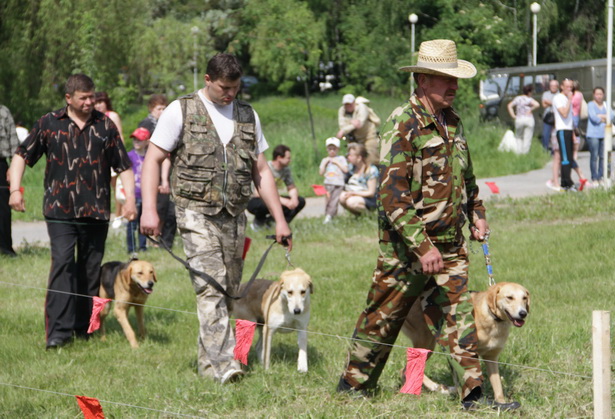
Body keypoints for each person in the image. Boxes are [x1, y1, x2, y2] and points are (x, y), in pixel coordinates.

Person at [337, 39, 489, 410]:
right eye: (443, 79)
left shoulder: (453, 121)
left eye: (454, 79)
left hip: (450, 244)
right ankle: (353, 385)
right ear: (422, 79)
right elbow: (392, 195)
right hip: (406, 249)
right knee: (383, 318)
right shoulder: (402, 122)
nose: (453, 86)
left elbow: (464, 177)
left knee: (458, 316)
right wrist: (422, 247)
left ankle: (475, 394)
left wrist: (477, 211)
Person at [139, 53, 292, 384]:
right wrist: (149, 209)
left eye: (236, 87)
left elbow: (261, 171)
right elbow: (152, 160)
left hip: (234, 217)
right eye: (225, 87)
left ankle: (208, 367)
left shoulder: (248, 115)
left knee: (228, 293)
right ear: (207, 80)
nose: (230, 94)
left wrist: (281, 220)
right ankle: (225, 367)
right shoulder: (180, 111)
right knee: (210, 287)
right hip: (194, 214)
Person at [8, 74, 136, 349]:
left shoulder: (105, 125)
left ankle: (84, 327)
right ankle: (58, 332)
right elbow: (21, 155)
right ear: (69, 98)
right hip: (59, 210)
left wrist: (130, 201)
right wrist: (15, 190)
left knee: (90, 270)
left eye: (92, 97)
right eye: (84, 98)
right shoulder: (49, 123)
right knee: (63, 265)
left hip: (96, 210)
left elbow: (124, 165)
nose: (90, 102)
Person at [139, 94, 176, 249]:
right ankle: (151, 240)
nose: (162, 111)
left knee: (169, 211)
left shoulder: (169, 123)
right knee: (157, 207)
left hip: (168, 171)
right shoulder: (146, 124)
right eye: (159, 108)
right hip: (153, 170)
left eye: (164, 108)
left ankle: (165, 242)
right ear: (151, 109)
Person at [247, 144, 305, 230]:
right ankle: (258, 222)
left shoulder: (286, 170)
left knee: (300, 201)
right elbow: (257, 193)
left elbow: (291, 187)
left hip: (276, 198)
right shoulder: (266, 169)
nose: (290, 160)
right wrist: (282, 201)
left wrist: (294, 198)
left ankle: (273, 223)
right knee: (265, 204)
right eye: (288, 158)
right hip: (256, 200)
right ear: (279, 158)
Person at [94, 91, 126, 218]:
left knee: (116, 187)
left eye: (101, 102)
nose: (98, 105)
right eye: (96, 103)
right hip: (98, 157)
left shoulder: (112, 116)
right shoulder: (93, 117)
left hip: (111, 155)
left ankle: (118, 214)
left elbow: (120, 136)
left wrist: (120, 155)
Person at [552, 79, 582, 191]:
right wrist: (570, 100)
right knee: (565, 158)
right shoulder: (558, 98)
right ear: (562, 87)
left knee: (569, 158)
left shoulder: (565, 98)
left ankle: (567, 182)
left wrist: (574, 131)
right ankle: (566, 183)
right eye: (567, 87)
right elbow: (564, 113)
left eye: (571, 87)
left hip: (568, 130)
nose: (569, 89)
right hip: (562, 130)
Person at [126, 127, 151, 254]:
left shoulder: (150, 157)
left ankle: (143, 246)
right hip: (133, 194)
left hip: (146, 194)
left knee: (143, 221)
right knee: (131, 223)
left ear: (147, 141)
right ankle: (131, 248)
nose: (136, 142)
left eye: (140, 140)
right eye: (134, 139)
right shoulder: (129, 156)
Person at [336, 93, 380, 165]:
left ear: (354, 102)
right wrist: (351, 122)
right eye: (346, 104)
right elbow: (342, 124)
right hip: (353, 139)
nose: (348, 106)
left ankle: (377, 173)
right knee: (354, 159)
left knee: (372, 158)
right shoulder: (342, 110)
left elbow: (360, 124)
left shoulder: (362, 107)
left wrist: (344, 130)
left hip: (368, 136)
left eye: (350, 104)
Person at [0, 105, 19, 257]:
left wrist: (13, 166)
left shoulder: (3, 111)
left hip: (1, 164)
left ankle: (5, 248)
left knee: (3, 210)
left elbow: (14, 141)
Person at [339, 142, 378, 215]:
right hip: (354, 195)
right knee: (341, 197)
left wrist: (353, 193)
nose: (348, 157)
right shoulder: (351, 168)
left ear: (359, 158)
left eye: (350, 155)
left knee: (351, 202)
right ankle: (358, 215)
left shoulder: (371, 170)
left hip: (369, 199)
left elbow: (371, 193)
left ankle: (369, 215)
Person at [318, 137, 348, 223]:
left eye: (334, 149)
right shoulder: (325, 160)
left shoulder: (341, 158)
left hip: (338, 183)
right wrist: (324, 164)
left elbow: (345, 170)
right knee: (328, 200)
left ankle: (329, 216)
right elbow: (321, 172)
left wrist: (337, 162)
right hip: (328, 183)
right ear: (327, 149)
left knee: (334, 200)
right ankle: (329, 215)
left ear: (338, 149)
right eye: (330, 149)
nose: (332, 151)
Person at [506, 84, 540, 154]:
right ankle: (525, 153)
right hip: (528, 119)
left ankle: (519, 153)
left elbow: (509, 106)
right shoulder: (529, 99)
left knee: (518, 137)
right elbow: (537, 104)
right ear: (529, 92)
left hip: (519, 119)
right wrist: (531, 109)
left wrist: (513, 115)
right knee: (527, 138)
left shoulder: (518, 98)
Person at [586, 87, 610, 184]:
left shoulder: (606, 104)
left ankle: (601, 176)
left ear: (603, 95)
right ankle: (594, 177)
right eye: (597, 94)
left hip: (604, 134)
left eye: (601, 94)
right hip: (593, 134)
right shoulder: (590, 104)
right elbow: (593, 118)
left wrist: (600, 116)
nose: (599, 96)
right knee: (594, 156)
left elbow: (612, 115)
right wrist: (605, 117)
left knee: (603, 156)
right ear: (594, 95)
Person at [541, 79, 559, 151]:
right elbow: (544, 105)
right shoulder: (545, 94)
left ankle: (555, 151)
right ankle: (544, 150)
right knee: (545, 134)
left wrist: (549, 102)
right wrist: (554, 103)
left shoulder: (560, 94)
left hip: (557, 117)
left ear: (557, 86)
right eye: (551, 86)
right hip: (548, 116)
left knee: (556, 135)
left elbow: (559, 105)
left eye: (554, 86)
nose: (553, 87)